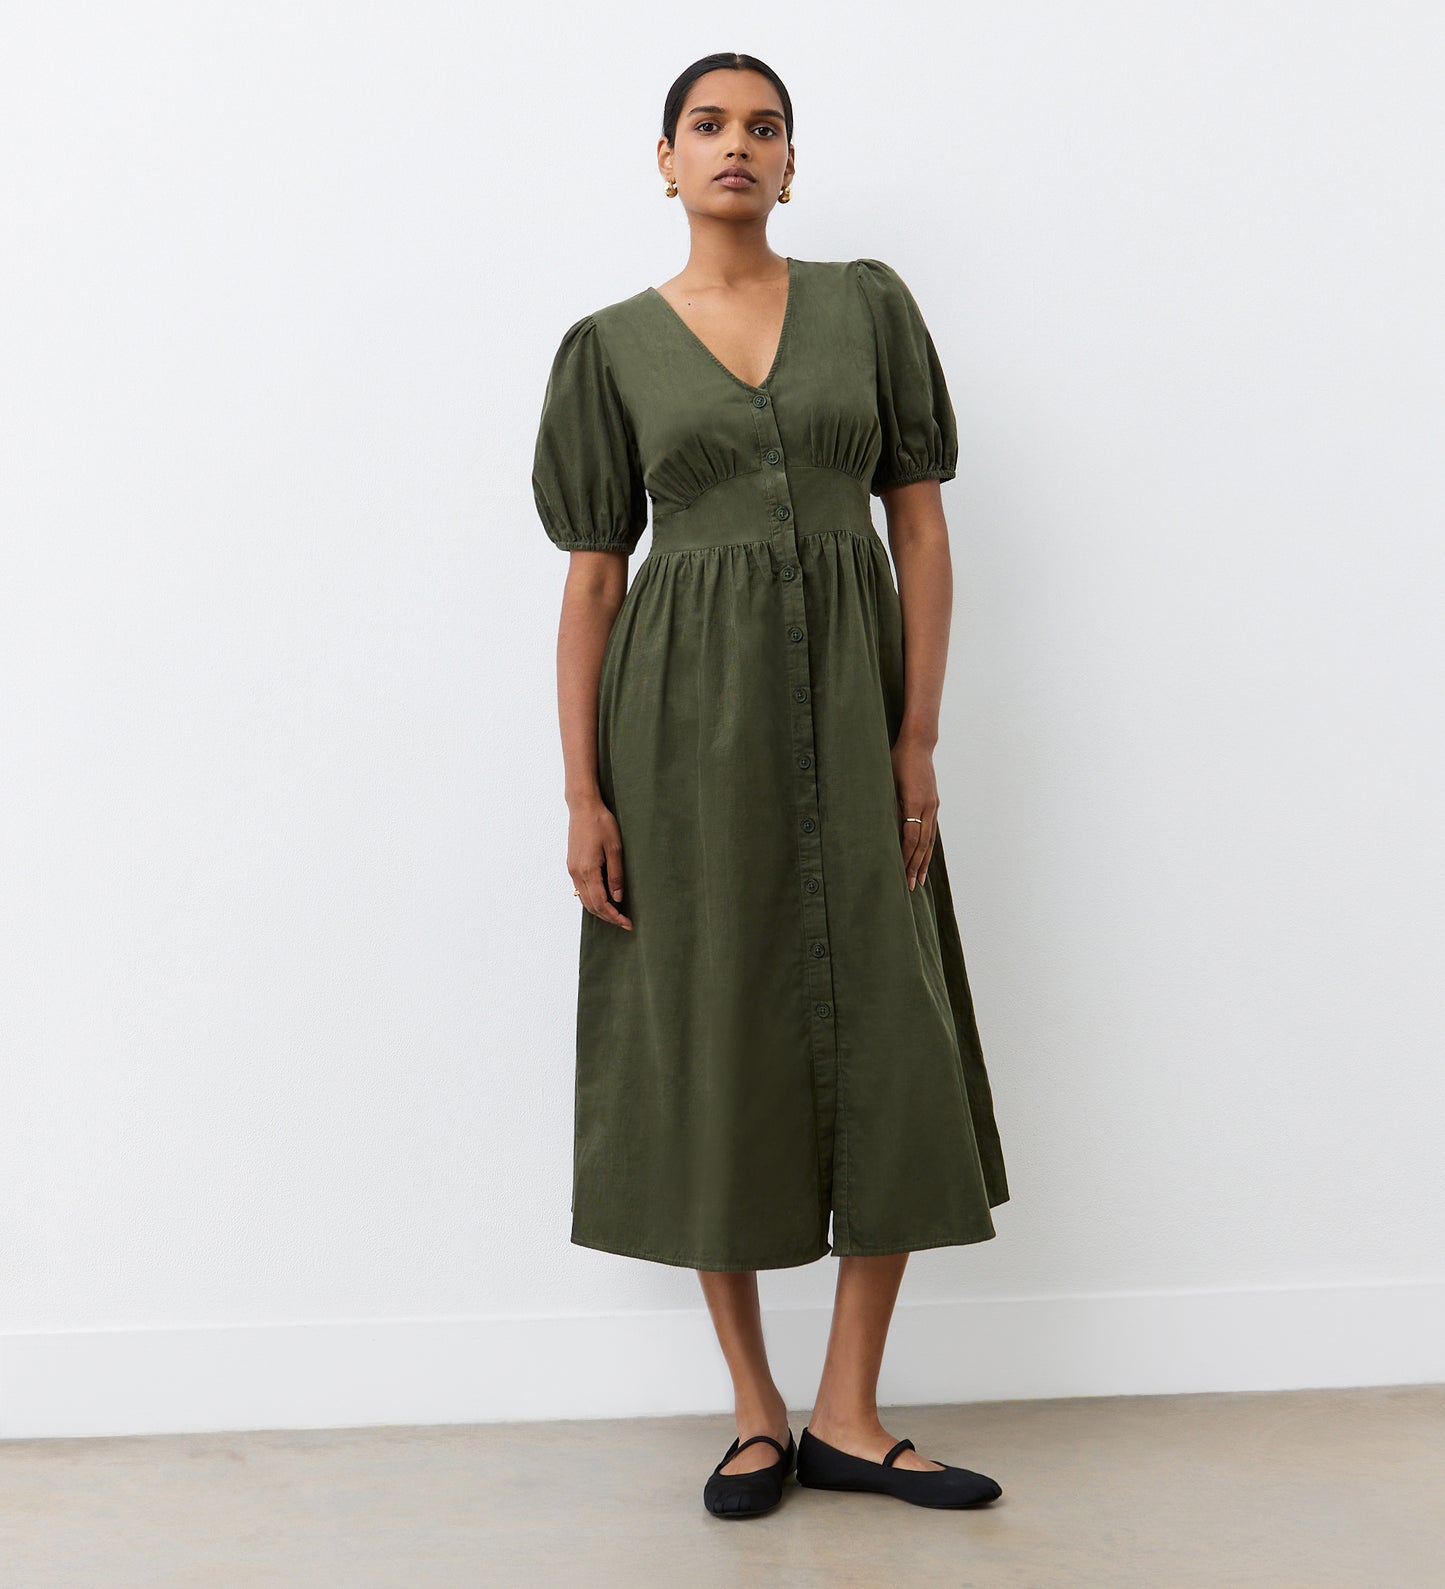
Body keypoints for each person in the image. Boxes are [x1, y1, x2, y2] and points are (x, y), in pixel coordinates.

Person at [531, 52, 1009, 1518]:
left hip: (856, 717)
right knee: (707, 1034)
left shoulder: (867, 306)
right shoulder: (608, 347)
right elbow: (594, 580)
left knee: (891, 1025)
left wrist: (914, 737)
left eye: (764, 128)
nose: (736, 146)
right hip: (681, 735)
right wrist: (583, 794)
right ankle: (752, 1406)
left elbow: (917, 532)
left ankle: (849, 1411)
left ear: (790, 166)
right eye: (708, 126)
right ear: (663, 160)